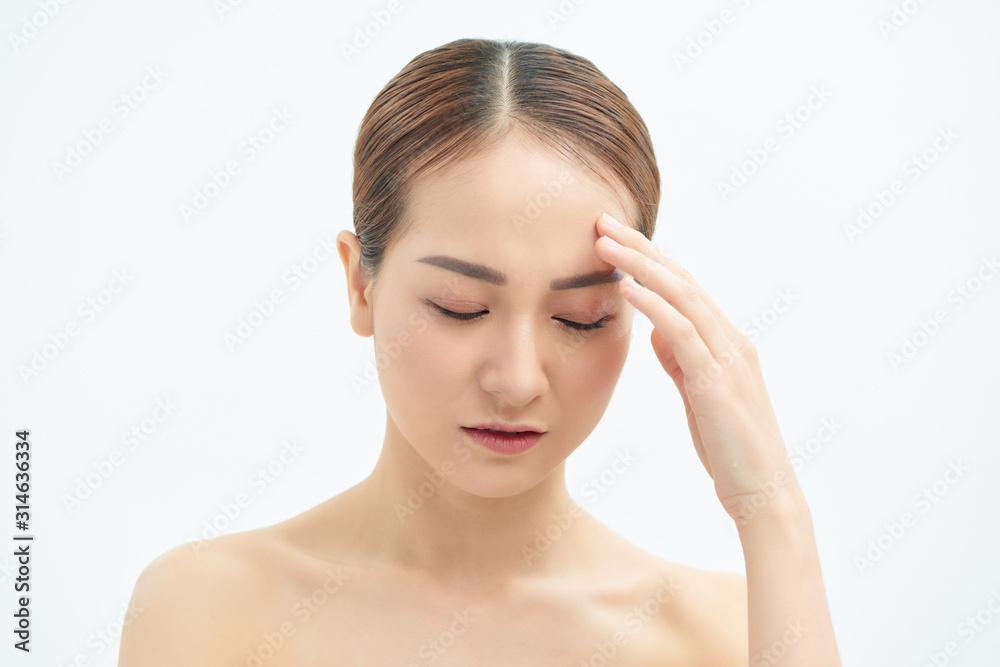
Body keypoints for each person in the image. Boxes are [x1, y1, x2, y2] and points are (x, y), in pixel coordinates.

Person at [118, 38, 841, 665]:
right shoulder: (206, 608)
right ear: (360, 282)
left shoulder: (729, 633)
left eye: (581, 317)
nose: (517, 379)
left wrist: (772, 507)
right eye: (459, 307)